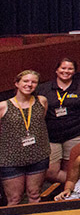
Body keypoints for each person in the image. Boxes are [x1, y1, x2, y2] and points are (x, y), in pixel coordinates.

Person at [37, 59, 80, 184]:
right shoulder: (44, 89)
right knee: (50, 171)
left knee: (71, 167)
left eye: (70, 69)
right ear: (57, 70)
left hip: (77, 133)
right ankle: (76, 186)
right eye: (63, 68)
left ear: (75, 71)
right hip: (51, 136)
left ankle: (68, 193)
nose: (66, 71)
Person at [0, 70, 50, 205]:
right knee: (14, 199)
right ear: (17, 83)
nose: (29, 85)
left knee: (34, 195)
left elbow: (40, 122)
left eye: (34, 82)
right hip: (11, 160)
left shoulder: (42, 101)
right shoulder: (3, 106)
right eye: (25, 81)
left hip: (38, 156)